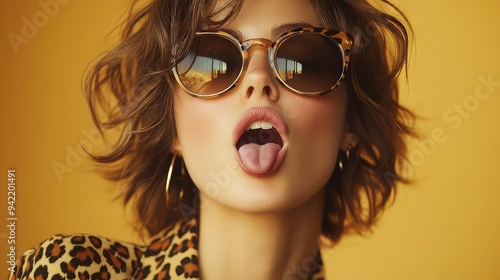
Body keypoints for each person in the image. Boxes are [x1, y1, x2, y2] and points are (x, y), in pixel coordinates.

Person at [10, 0, 414, 279]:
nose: (258, 80)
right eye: (210, 61)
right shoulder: (67, 270)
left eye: (304, 61)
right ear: (170, 128)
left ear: (352, 125)